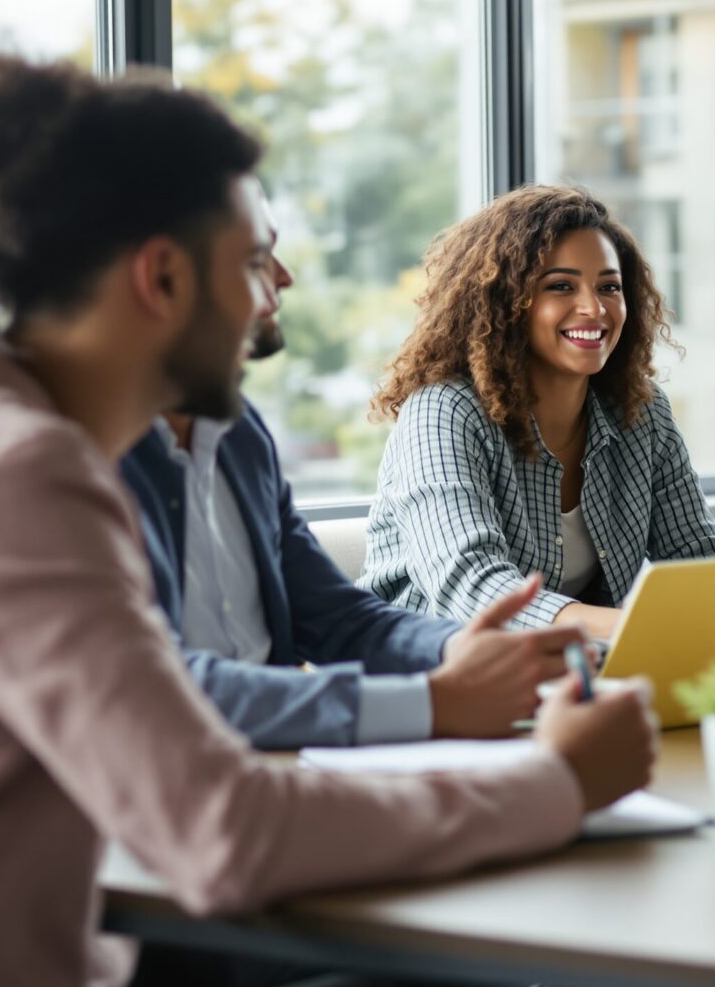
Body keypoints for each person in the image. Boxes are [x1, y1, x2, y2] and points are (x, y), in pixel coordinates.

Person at [0, 56, 658, 987]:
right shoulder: (12, 480)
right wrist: (556, 785)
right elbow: (219, 829)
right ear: (161, 278)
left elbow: (299, 659)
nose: (273, 291)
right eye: (247, 262)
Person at [118, 181, 563, 750]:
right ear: (161, 279)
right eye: (256, 258)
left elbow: (337, 619)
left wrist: (457, 650)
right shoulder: (72, 463)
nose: (284, 277)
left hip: (279, 775)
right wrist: (436, 703)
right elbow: (158, 688)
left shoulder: (238, 434)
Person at [362, 185, 715, 639]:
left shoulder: (641, 410)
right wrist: (639, 627)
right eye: (561, 286)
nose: (593, 308)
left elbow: (697, 556)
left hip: (572, 673)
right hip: (427, 676)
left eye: (609, 287)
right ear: (504, 302)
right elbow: (475, 589)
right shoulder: (443, 413)